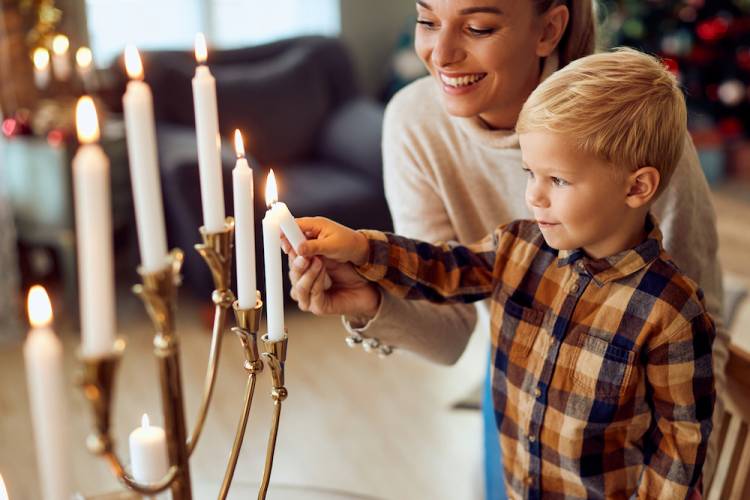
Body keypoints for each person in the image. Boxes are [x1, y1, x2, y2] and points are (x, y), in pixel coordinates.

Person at [284, 0, 727, 493]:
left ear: (550, 29)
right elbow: (446, 269)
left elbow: (683, 439)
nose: (443, 53)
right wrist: (364, 259)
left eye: (477, 27)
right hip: (522, 429)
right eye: (427, 21)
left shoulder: (642, 146)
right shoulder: (517, 241)